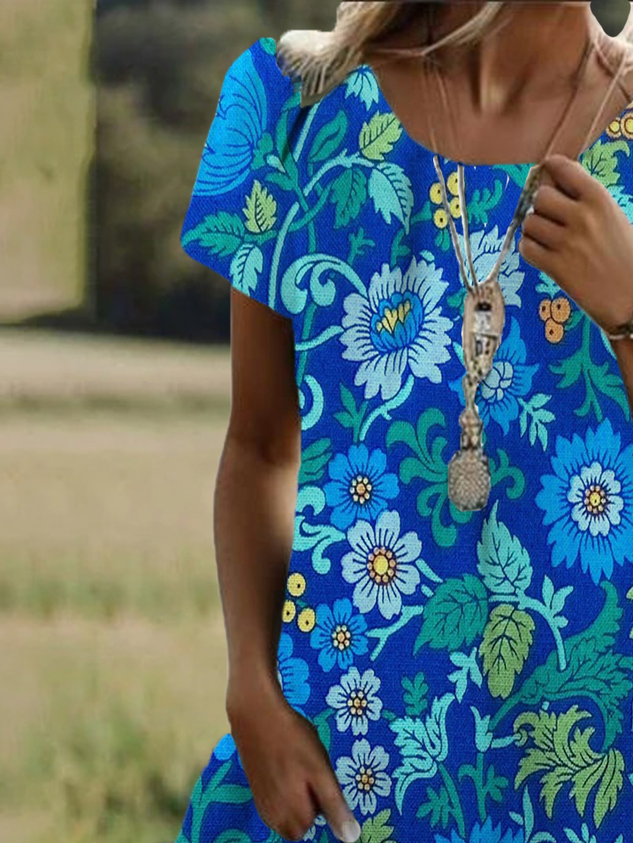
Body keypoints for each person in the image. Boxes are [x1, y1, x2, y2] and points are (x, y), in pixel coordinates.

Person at [175, 3, 633, 842]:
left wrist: (629, 312)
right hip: (339, 773)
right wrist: (252, 687)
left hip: (594, 778)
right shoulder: (295, 108)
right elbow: (258, 442)